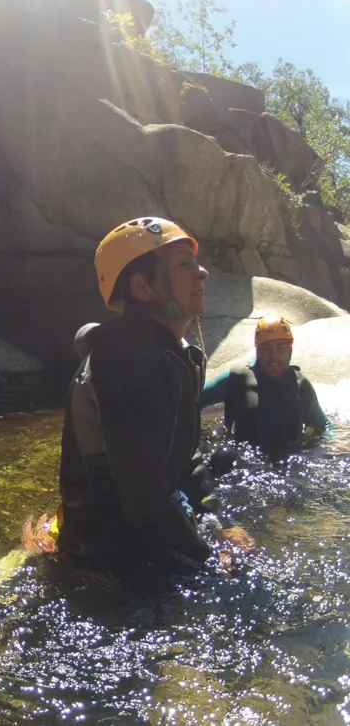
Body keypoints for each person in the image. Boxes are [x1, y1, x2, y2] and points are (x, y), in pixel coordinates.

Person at [55, 216, 254, 572]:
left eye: (196, 264)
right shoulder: (126, 363)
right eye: (183, 266)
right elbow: (142, 499)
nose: (202, 273)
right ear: (143, 287)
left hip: (145, 526)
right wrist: (215, 568)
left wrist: (222, 525)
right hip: (107, 554)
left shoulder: (177, 351)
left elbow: (184, 455)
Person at [200, 314, 330, 457]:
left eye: (280, 348)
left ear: (290, 351)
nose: (274, 357)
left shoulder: (301, 385)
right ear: (257, 351)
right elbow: (193, 397)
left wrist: (337, 443)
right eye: (266, 349)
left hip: (290, 466)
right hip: (243, 465)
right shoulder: (237, 379)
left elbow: (325, 426)